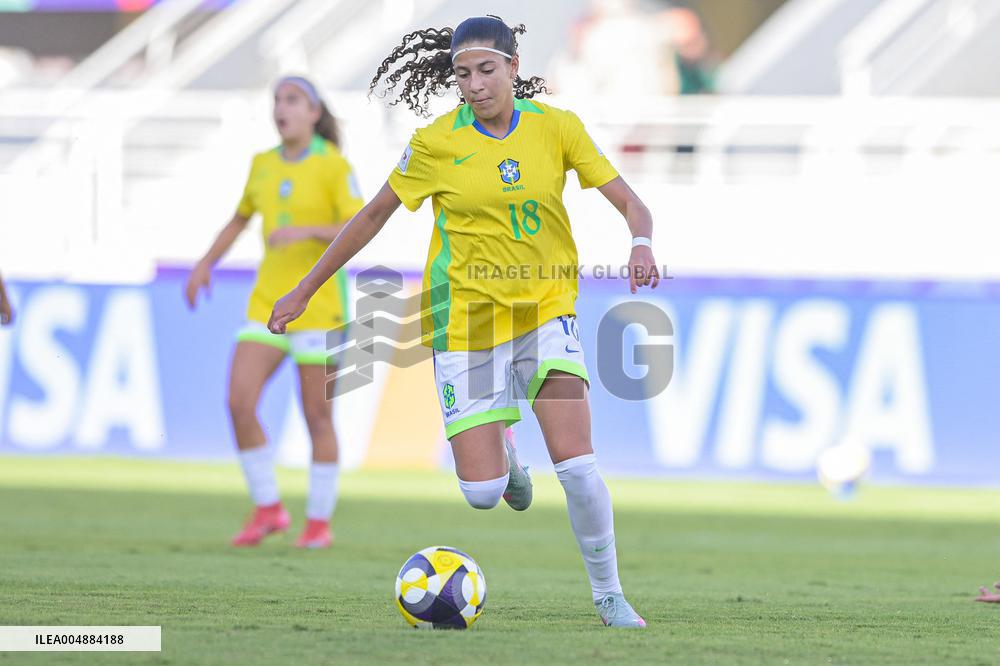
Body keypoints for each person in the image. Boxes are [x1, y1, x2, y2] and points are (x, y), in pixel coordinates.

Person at [268, 16, 659, 627]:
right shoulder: (435, 143)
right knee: (481, 494)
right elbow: (372, 217)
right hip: (464, 323)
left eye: (485, 70)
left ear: (513, 65)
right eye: (462, 74)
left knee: (578, 465)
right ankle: (505, 447)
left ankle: (608, 594)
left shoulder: (558, 127)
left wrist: (640, 242)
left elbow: (630, 200)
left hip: (545, 312)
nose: (474, 85)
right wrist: (304, 287)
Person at [185, 76, 363, 549]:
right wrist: (204, 265)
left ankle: (319, 523)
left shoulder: (333, 164)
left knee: (317, 418)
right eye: (276, 100)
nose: (280, 108)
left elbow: (356, 224)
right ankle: (268, 507)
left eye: (291, 100)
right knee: (238, 402)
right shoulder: (262, 164)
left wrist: (303, 230)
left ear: (313, 112)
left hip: (320, 307)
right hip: (267, 302)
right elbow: (241, 217)